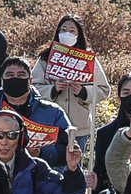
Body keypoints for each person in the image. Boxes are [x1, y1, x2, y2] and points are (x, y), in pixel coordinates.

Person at [0, 56, 75, 167]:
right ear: (1, 81)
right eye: (10, 75)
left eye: (21, 75)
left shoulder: (54, 113)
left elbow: (70, 149)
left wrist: (41, 153)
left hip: (40, 178)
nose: (15, 79)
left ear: (31, 80)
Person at [31, 15, 111, 150]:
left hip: (79, 125)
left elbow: (103, 89)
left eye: (72, 31)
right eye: (63, 30)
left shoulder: (88, 60)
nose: (66, 34)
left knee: (75, 164)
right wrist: (52, 89)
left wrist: (84, 92)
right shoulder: (46, 58)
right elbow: (33, 86)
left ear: (79, 35)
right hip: (51, 124)